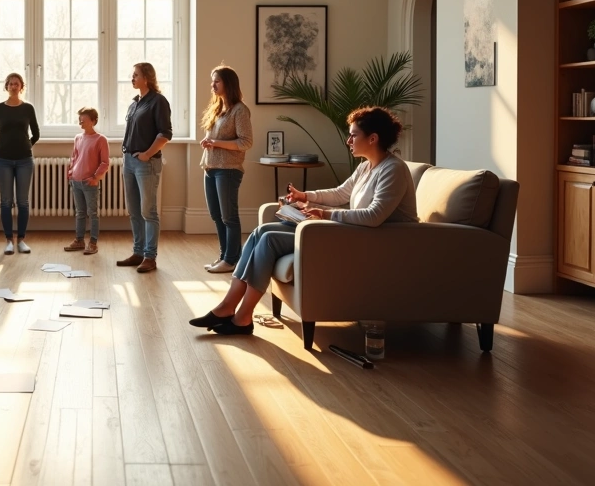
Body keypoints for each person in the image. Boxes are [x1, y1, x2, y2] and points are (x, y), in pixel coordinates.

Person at [189, 106, 418, 335]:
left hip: (371, 240)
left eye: (353, 134)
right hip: (353, 232)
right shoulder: (366, 166)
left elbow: (374, 216)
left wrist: (325, 214)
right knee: (261, 231)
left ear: (373, 138)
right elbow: (340, 194)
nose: (348, 140)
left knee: (269, 239)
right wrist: (305, 196)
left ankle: (243, 317)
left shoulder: (393, 170)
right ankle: (228, 307)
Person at [116, 62, 172, 273]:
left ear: (146, 77)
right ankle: (138, 252)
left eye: (135, 75)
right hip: (129, 160)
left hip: (146, 162)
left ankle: (150, 256)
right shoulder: (134, 104)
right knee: (134, 211)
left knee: (148, 211)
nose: (132, 78)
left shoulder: (158, 101)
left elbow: (165, 133)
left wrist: (147, 154)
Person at [199, 66, 253, 274]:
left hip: (228, 170)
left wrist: (216, 142)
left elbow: (246, 142)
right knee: (216, 215)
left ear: (228, 84)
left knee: (229, 216)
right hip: (211, 168)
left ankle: (231, 260)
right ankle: (224, 256)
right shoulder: (217, 109)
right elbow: (218, 139)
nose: (212, 85)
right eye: (212, 81)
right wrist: (210, 142)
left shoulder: (240, 110)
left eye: (217, 81)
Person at [0, 72, 40, 255]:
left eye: (17, 83)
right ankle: (9, 240)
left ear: (21, 86)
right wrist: (2, 147)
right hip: (3, 161)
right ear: (6, 86)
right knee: (6, 201)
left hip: (25, 160)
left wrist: (26, 147)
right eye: (10, 83)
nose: (13, 86)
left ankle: (21, 240)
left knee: (23, 202)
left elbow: (36, 133)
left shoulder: (28, 108)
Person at [63, 107, 109, 255]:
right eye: (79, 119)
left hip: (90, 183)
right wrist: (70, 174)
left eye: (84, 119)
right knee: (80, 213)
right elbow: (74, 157)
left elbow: (105, 162)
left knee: (93, 213)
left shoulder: (101, 140)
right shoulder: (78, 138)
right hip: (75, 182)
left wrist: (95, 177)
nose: (80, 121)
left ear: (93, 121)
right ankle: (79, 240)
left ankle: (93, 243)